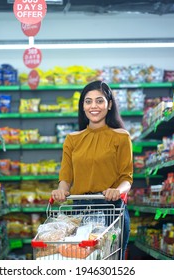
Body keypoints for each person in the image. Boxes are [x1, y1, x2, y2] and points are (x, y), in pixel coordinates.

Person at [51, 80, 133, 259]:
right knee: (82, 263)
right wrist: (61, 191)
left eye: (99, 101)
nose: (93, 106)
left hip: (111, 209)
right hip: (80, 210)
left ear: (109, 104)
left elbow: (127, 177)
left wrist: (116, 191)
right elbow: (65, 176)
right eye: (88, 101)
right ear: (82, 106)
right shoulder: (72, 139)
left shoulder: (121, 137)